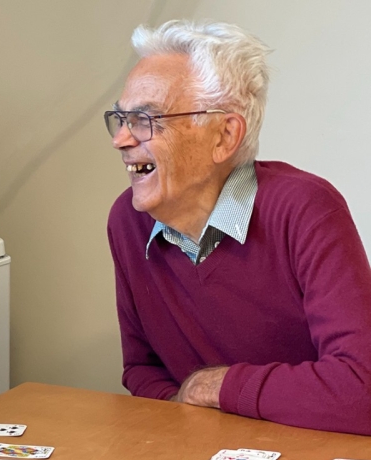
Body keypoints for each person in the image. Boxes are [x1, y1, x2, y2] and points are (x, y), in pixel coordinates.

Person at [105, 20, 371, 436]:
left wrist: (214, 387)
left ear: (225, 136)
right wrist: (192, 425)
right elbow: (143, 368)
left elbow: (362, 391)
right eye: (120, 118)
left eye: (145, 120)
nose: (120, 139)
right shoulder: (128, 222)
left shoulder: (306, 210)